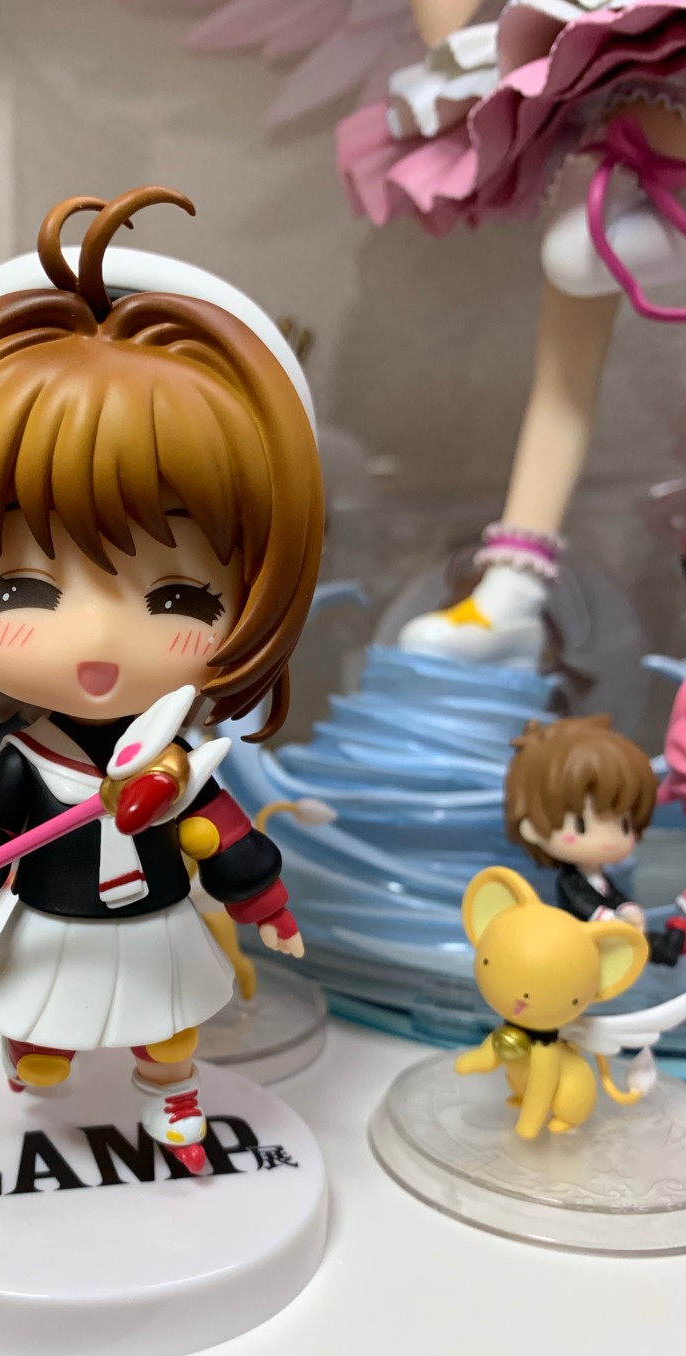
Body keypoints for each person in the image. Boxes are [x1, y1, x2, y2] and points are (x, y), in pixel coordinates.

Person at [0, 185, 324, 1167]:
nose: (99, 640)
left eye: (180, 598)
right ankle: (37, 1061)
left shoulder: (179, 761)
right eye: (23, 589)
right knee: (43, 1029)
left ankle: (173, 1105)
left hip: (155, 925)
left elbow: (224, 835)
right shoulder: (31, 756)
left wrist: (264, 904)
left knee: (170, 1034)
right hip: (54, 925)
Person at [340, 0, 686, 668]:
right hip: (617, 125)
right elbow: (442, 27)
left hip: (640, 119)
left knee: (577, 263)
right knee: (570, 299)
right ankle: (514, 587)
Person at [505, 713, 685, 965]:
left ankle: (671, 943)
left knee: (649, 947)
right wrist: (610, 918)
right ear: (532, 828)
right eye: (581, 825)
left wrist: (628, 909)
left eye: (624, 825)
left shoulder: (599, 879)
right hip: (576, 949)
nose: (608, 840)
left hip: (603, 950)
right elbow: (583, 904)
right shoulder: (570, 881)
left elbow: (614, 896)